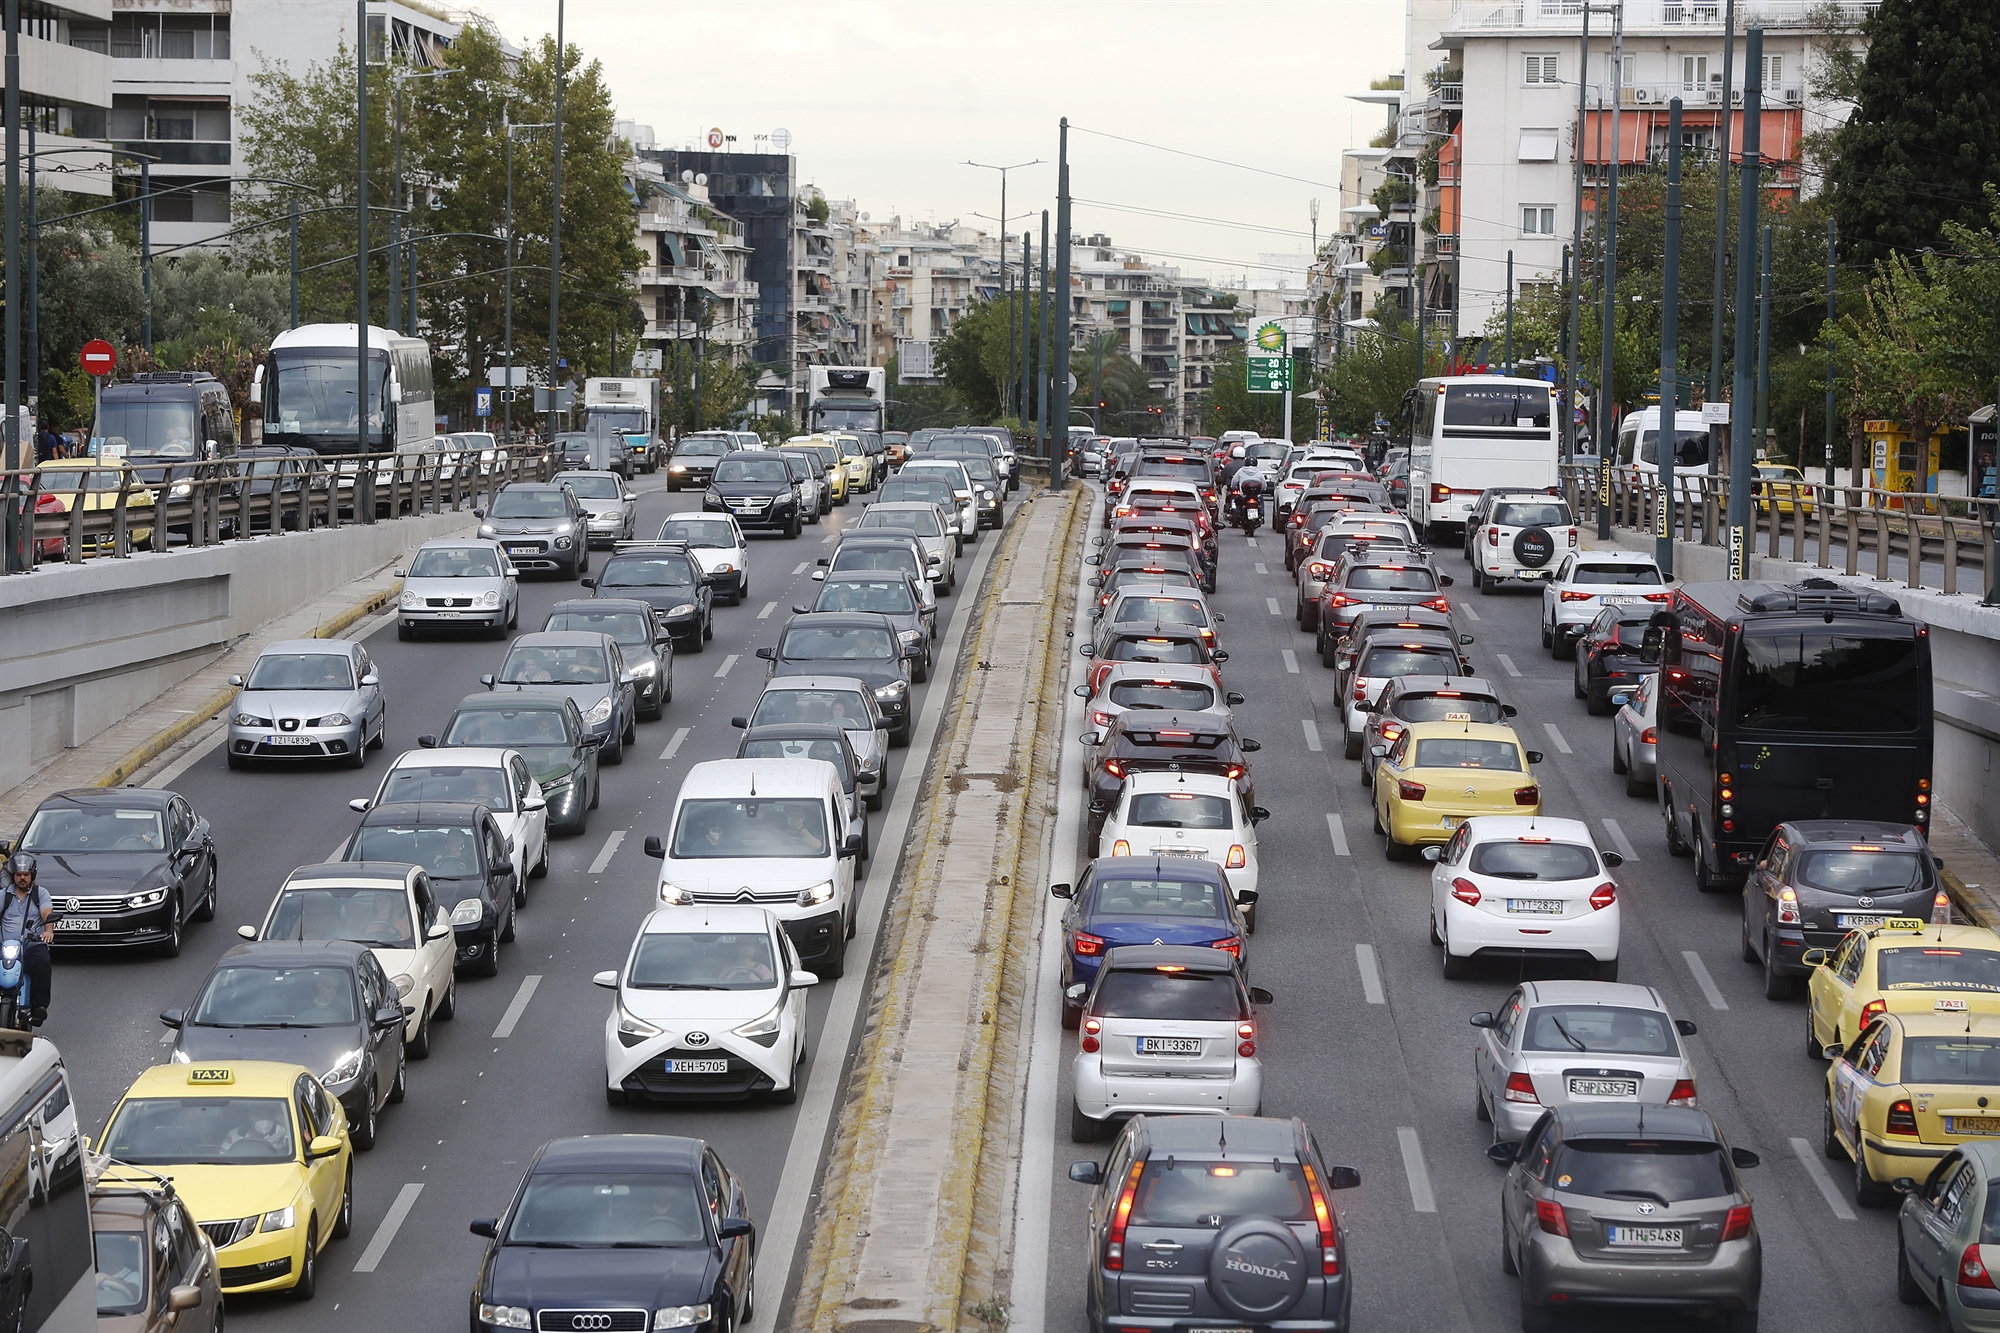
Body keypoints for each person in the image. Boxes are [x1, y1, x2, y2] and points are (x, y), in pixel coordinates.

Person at [2, 854, 56, 1026]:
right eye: (18, 875)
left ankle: (38, 1007)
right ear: (13, 876)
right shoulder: (5, 895)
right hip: (6, 945)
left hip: (32, 944)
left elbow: (47, 912)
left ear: (32, 875)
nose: (22, 878)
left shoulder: (40, 893)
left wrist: (48, 930)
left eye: (26, 874)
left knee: (42, 962)